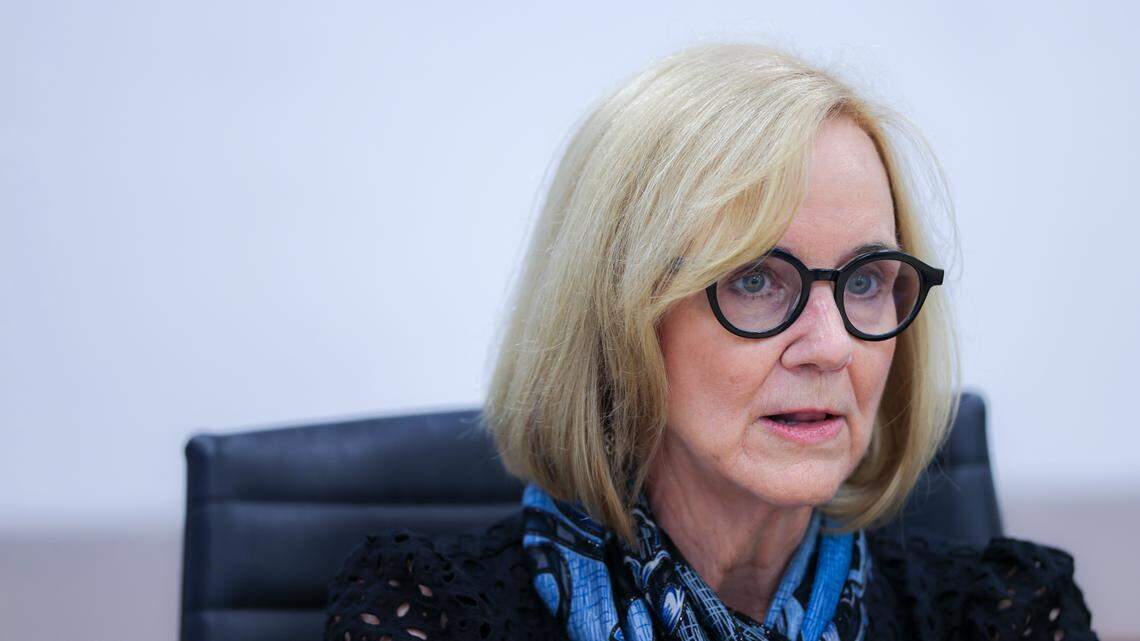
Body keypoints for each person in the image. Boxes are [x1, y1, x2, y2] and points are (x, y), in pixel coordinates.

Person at [324, 43, 1097, 640]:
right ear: (618, 318)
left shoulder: (1003, 614)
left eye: (864, 279)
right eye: (754, 279)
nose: (830, 348)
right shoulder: (429, 617)